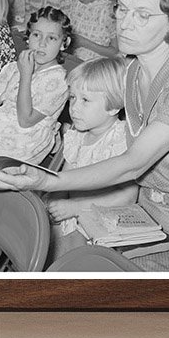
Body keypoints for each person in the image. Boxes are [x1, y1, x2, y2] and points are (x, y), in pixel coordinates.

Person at [0, 0, 169, 272]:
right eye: (122, 10)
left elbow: (134, 163)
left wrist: (48, 180)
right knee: (56, 258)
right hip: (145, 214)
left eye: (142, 15)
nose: (125, 23)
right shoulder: (132, 70)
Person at [43, 57, 135, 257]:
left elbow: (128, 197)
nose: (74, 108)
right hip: (70, 213)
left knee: (63, 253)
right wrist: (54, 202)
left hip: (100, 220)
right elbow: (64, 180)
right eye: (72, 97)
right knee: (32, 228)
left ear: (113, 106)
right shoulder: (77, 136)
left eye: (85, 100)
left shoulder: (120, 141)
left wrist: (75, 207)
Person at [0, 6, 72, 164]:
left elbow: (25, 120)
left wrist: (25, 75)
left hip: (26, 138)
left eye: (51, 38)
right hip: (1, 123)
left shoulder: (59, 80)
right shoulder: (14, 67)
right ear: (28, 37)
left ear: (64, 43)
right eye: (36, 35)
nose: (42, 44)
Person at [53, 0, 119, 62]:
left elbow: (115, 53)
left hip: (94, 64)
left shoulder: (108, 11)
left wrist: (85, 43)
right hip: (72, 59)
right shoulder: (75, 3)